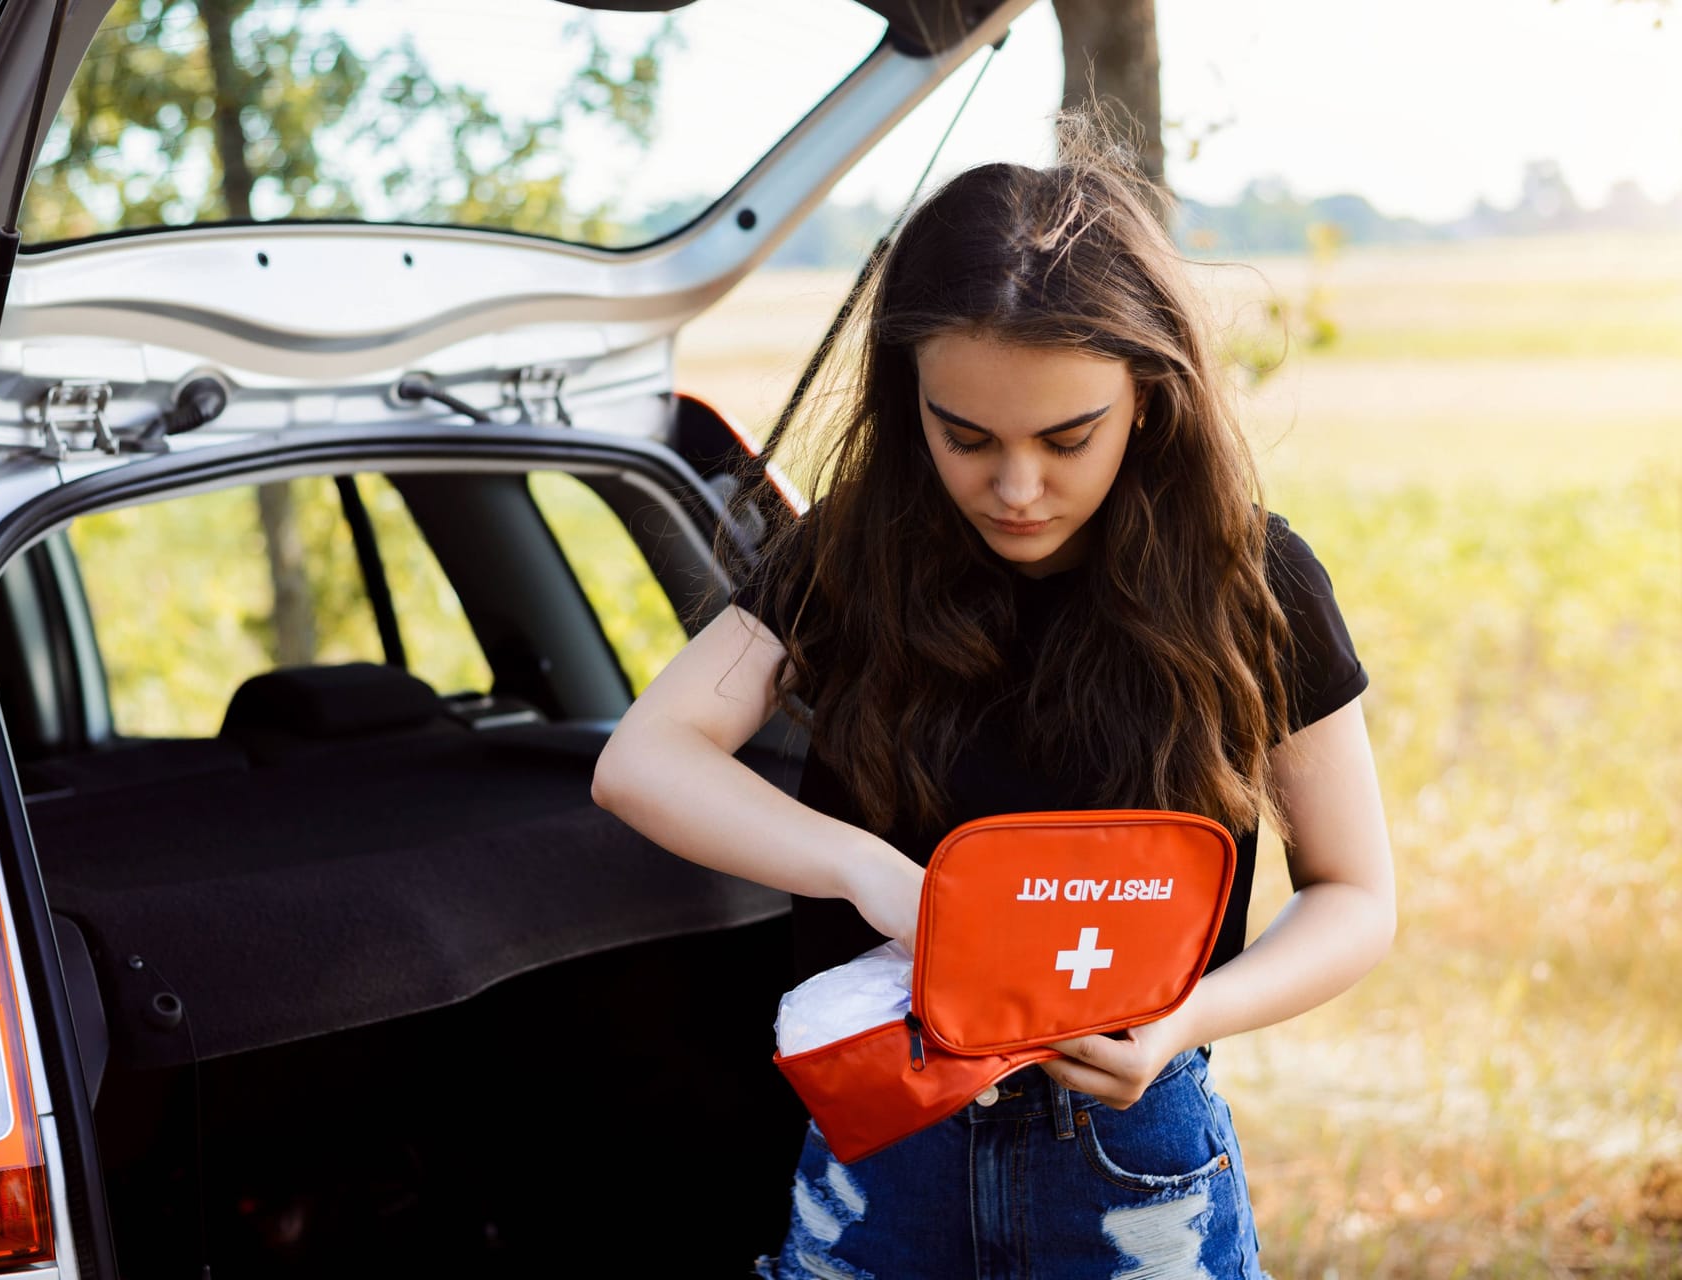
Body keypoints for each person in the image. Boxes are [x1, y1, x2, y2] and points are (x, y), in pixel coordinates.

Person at [589, 119, 1396, 1279]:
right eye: (964, 437)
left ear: (1150, 395)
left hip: (1129, 1158)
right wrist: (870, 871)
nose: (1016, 489)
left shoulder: (1251, 581)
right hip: (883, 1140)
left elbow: (1356, 894)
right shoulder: (852, 558)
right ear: (907, 396)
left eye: (1068, 437)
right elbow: (645, 759)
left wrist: (1181, 1022)